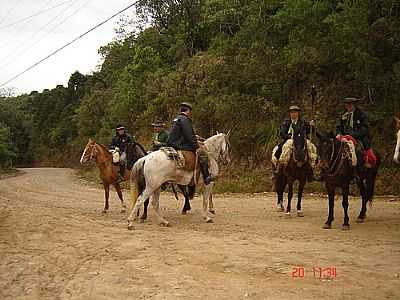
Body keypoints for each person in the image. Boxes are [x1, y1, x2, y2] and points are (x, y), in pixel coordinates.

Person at [167, 102, 214, 185]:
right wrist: (196, 146)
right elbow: (188, 135)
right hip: (180, 144)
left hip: (172, 143)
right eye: (190, 111)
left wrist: (195, 137)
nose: (190, 113)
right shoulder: (185, 120)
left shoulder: (177, 119)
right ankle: (206, 177)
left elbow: (181, 133)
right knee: (203, 153)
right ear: (188, 111)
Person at [273, 105, 314, 182]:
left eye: (295, 112)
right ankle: (280, 166)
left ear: (298, 113)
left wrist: (311, 126)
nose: (293, 114)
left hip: (301, 140)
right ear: (290, 114)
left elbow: (310, 131)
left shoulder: (303, 122)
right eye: (292, 112)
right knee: (282, 148)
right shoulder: (286, 122)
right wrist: (289, 137)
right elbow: (282, 132)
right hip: (290, 139)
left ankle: (311, 170)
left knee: (311, 148)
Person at [336, 97, 376, 168]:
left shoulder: (361, 114)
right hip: (344, 137)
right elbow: (339, 126)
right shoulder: (343, 115)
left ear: (354, 104)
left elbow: (365, 128)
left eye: (350, 104)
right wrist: (339, 134)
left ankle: (362, 166)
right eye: (346, 104)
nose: (348, 106)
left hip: (359, 137)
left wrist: (353, 134)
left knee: (360, 150)